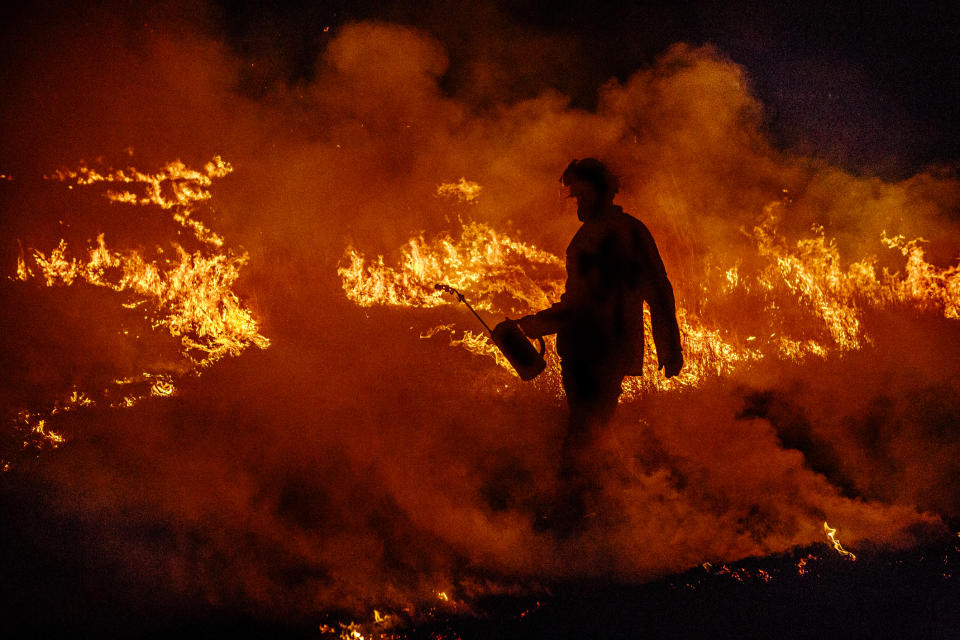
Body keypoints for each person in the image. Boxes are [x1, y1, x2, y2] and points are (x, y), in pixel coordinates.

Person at [519, 158, 683, 532]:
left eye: (581, 192)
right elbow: (649, 290)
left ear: (602, 190)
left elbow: (602, 300)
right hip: (587, 349)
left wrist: (538, 324)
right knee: (591, 430)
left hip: (599, 348)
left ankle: (572, 520)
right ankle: (599, 510)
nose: (575, 200)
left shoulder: (612, 234)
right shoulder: (608, 231)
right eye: (572, 194)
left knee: (584, 432)